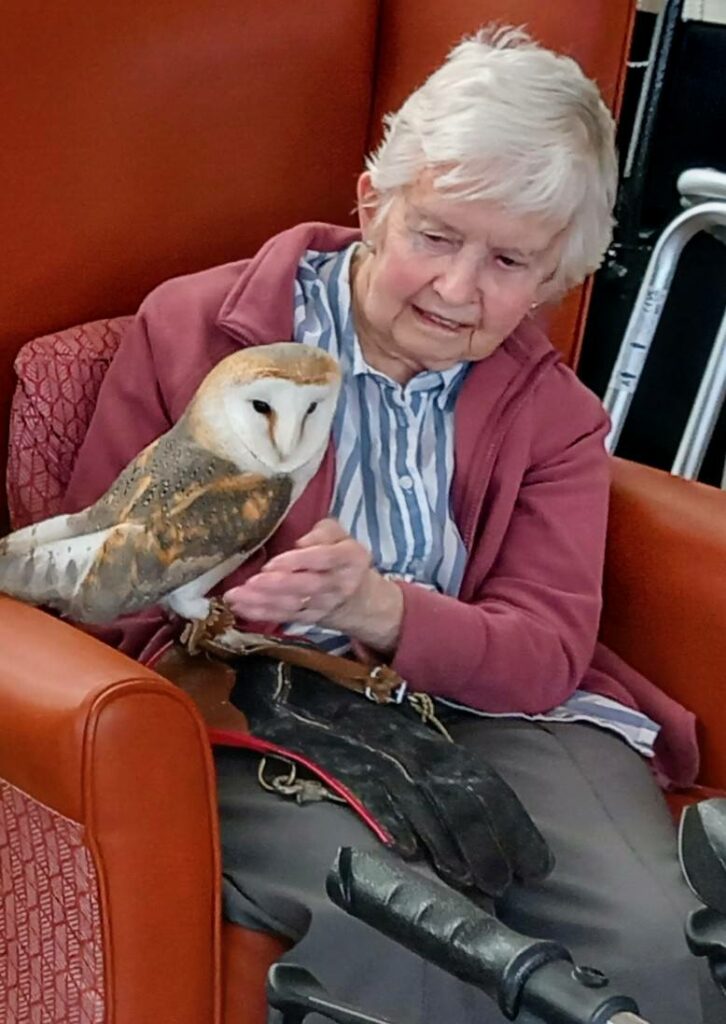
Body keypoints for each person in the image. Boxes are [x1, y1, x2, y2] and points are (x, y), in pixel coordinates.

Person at [63, 25, 721, 1024]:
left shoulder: (554, 416)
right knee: (414, 945)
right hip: (253, 702)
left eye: (510, 261)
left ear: (557, 277)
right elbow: (98, 587)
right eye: (436, 236)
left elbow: (545, 651)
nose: (459, 291)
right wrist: (233, 595)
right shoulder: (199, 332)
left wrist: (384, 608)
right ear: (375, 203)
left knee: (659, 950)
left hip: (496, 706)